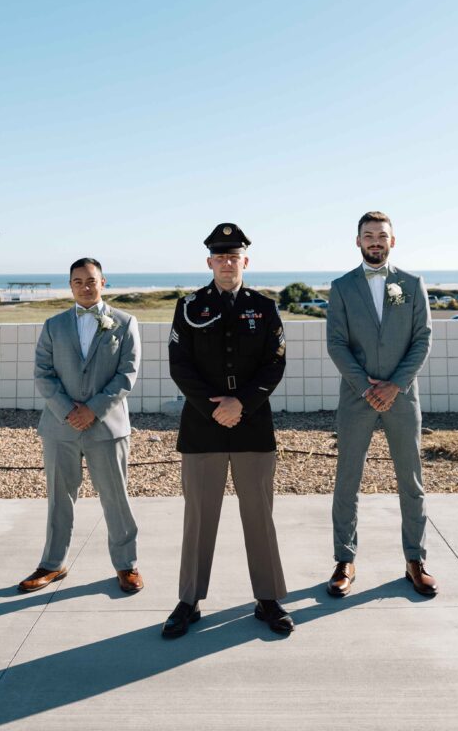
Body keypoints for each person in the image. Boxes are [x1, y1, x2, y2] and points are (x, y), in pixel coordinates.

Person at [162, 224, 293, 637]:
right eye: (219, 258)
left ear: (245, 262)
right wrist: (213, 408)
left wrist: (242, 403)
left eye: (233, 257)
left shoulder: (264, 307)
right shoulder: (189, 306)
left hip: (253, 423)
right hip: (203, 425)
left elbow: (276, 362)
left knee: (259, 514)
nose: (226, 263)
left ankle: (267, 599)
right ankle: (189, 601)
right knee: (199, 516)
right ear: (209, 262)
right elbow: (179, 365)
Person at [326, 212, 437, 598]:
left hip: (402, 398)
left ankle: (415, 560)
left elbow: (422, 339)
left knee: (411, 481)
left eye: (381, 236)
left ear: (393, 241)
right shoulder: (341, 288)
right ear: (357, 241)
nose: (375, 241)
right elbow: (336, 343)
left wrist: (396, 385)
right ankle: (344, 559)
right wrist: (365, 386)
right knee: (347, 480)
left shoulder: (411, 284)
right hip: (356, 399)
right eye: (368, 235)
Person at [18, 258, 143, 595]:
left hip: (107, 427)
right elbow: (43, 373)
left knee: (116, 498)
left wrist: (93, 410)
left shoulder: (125, 322)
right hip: (61, 427)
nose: (85, 287)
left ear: (104, 283)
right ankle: (52, 563)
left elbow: (126, 375)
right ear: (70, 286)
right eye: (78, 281)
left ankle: (126, 564)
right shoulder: (53, 325)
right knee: (60, 497)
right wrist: (67, 410)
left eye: (91, 280)